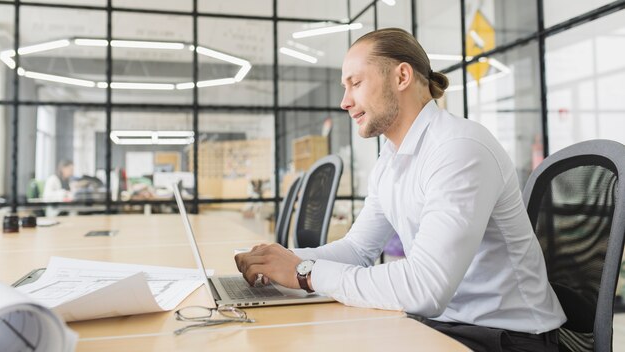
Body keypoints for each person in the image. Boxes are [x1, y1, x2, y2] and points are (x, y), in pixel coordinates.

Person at [235, 28, 565, 352]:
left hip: (508, 337)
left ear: (402, 77)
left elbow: (426, 288)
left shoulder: (459, 149)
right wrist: (281, 263)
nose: (345, 102)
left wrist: (304, 274)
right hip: (445, 325)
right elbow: (357, 250)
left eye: (356, 83)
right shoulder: (391, 160)